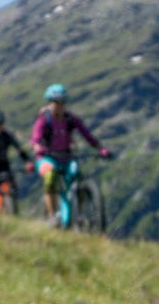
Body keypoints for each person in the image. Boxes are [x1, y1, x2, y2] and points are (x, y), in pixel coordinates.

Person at [30, 83, 111, 224]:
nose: (60, 105)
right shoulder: (44, 119)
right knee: (50, 177)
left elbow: (87, 135)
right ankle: (52, 216)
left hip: (66, 157)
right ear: (50, 102)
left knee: (76, 175)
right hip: (47, 158)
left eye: (62, 102)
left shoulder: (70, 119)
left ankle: (78, 212)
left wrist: (100, 148)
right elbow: (35, 138)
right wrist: (38, 147)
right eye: (56, 102)